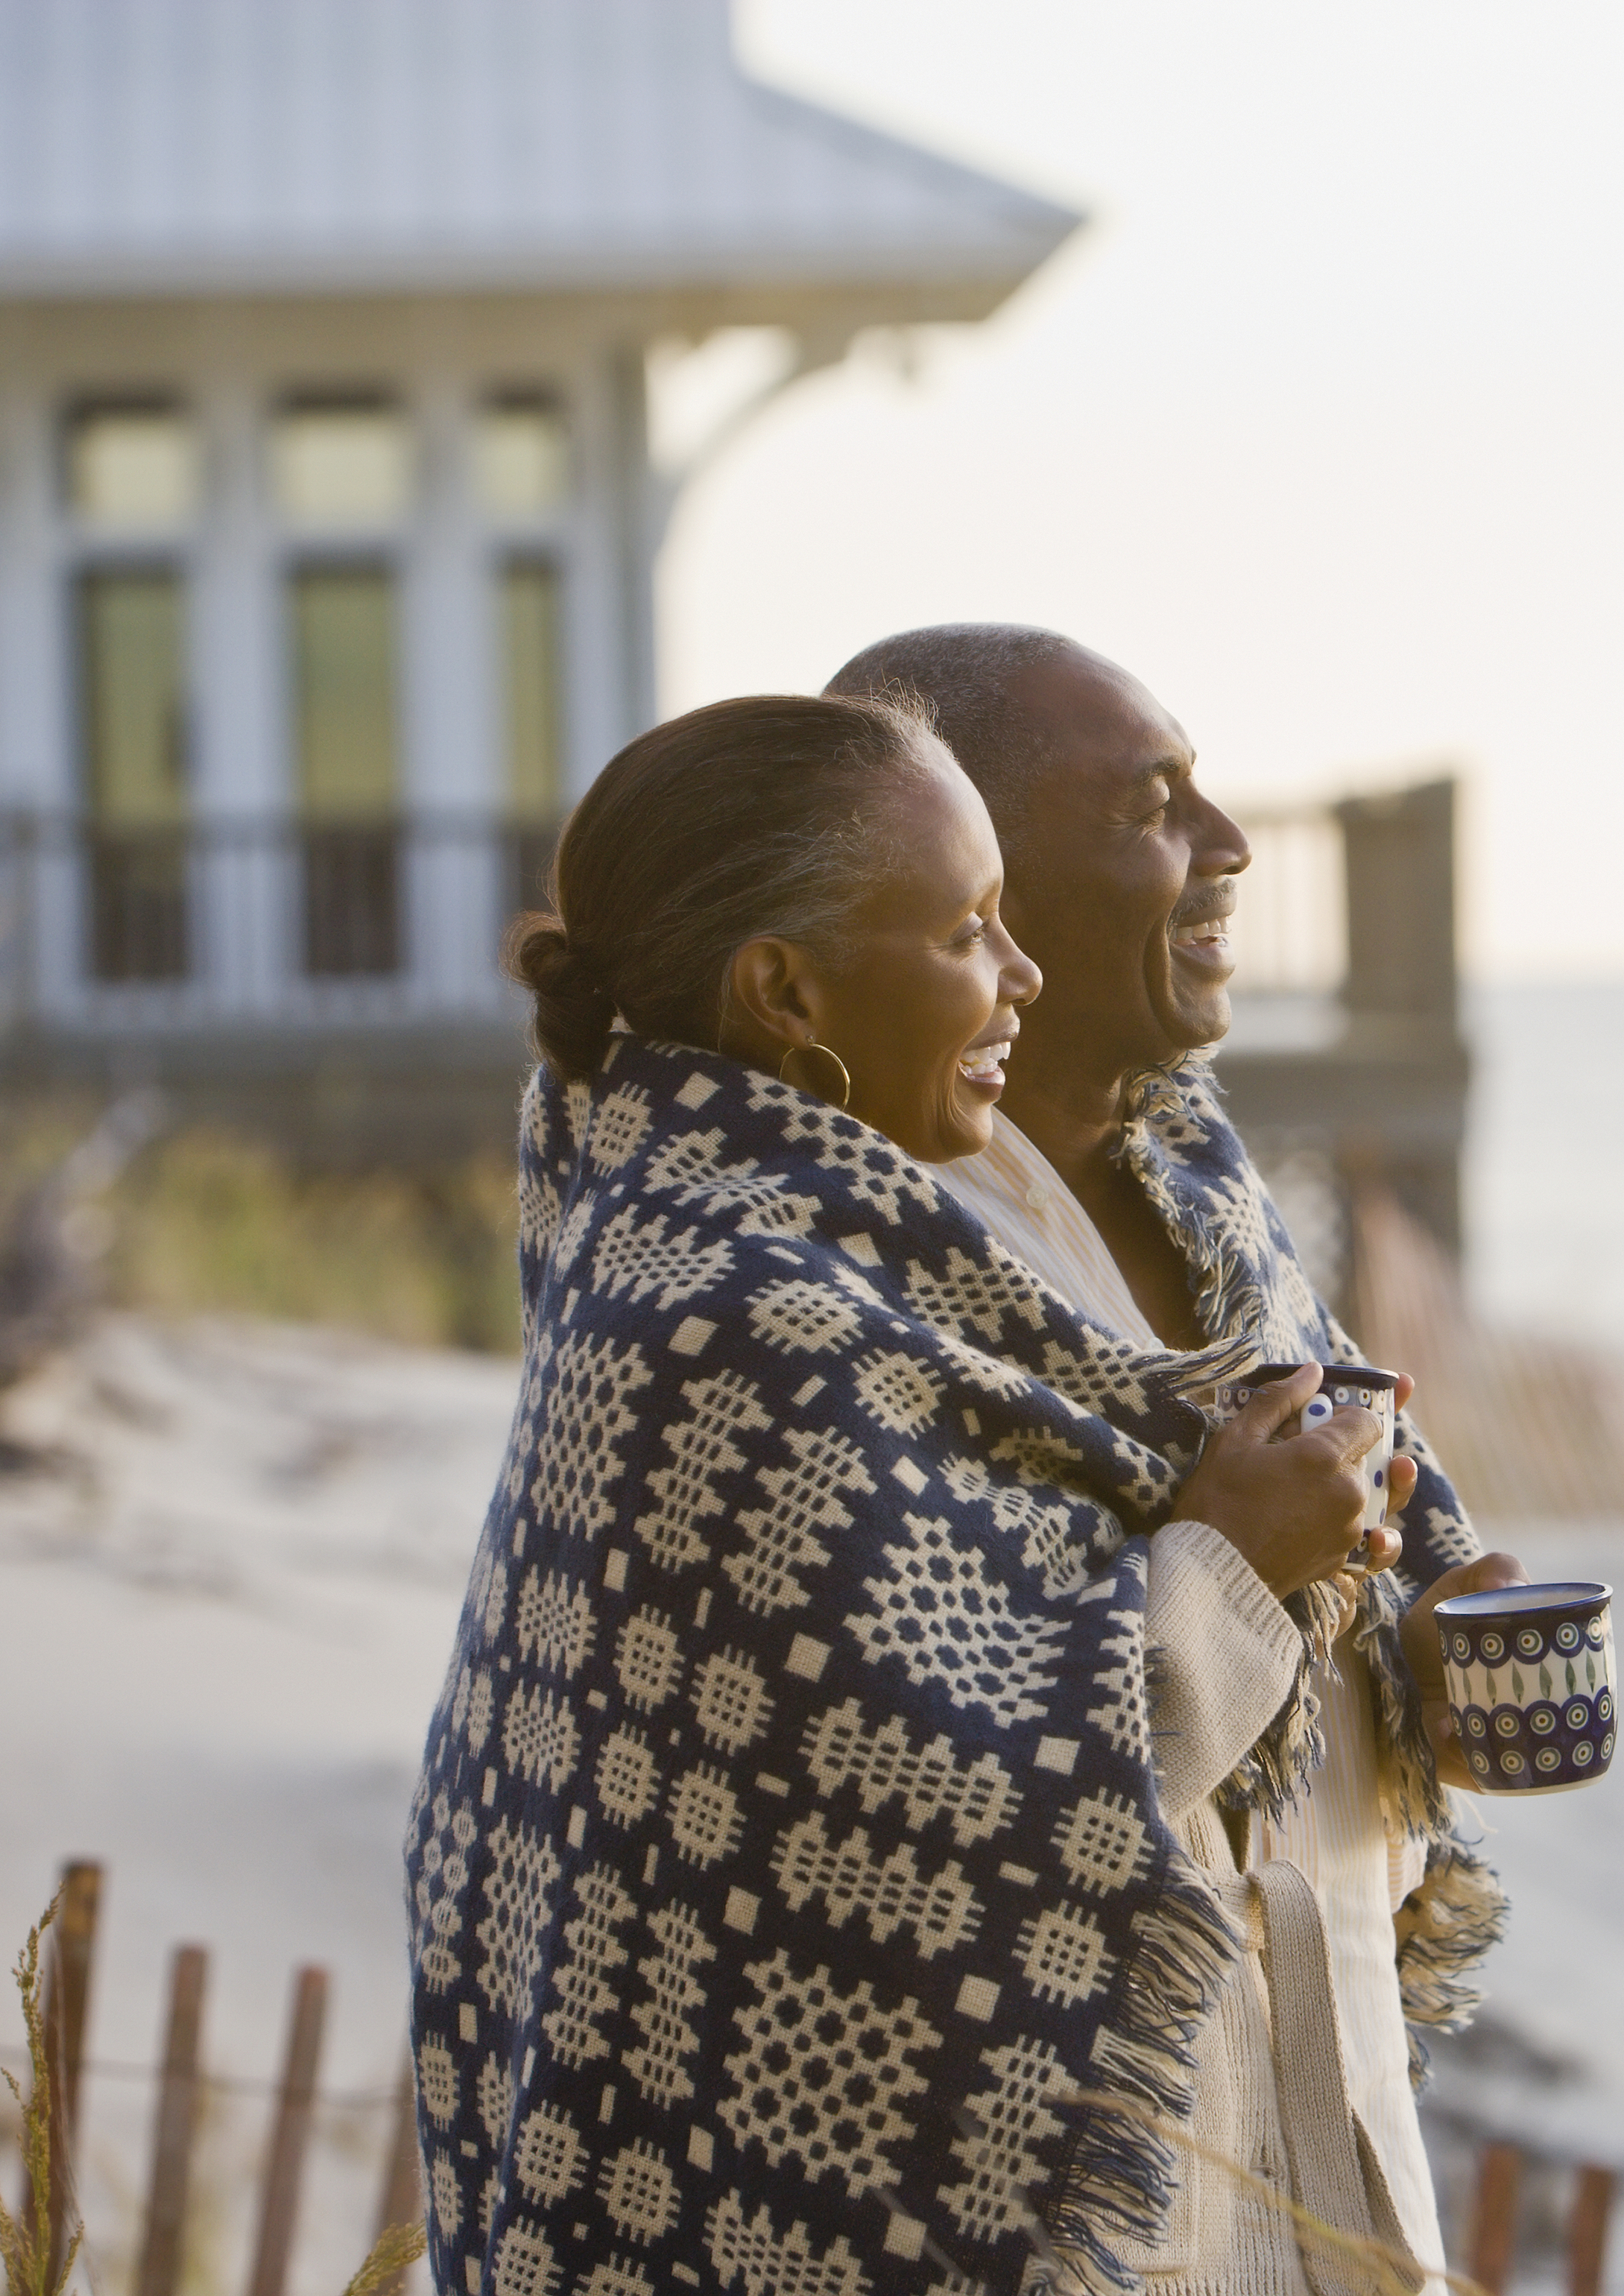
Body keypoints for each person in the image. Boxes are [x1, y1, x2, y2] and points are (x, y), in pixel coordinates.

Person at [404, 693, 1437, 2296]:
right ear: (784, 987)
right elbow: (942, 1806)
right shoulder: (721, 1313)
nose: (1014, 971)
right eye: (968, 929)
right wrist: (1226, 1559)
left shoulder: (871, 1250)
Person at [826, 629, 1526, 2296]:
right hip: (1063, 2187)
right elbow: (915, 1784)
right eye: (1152, 805)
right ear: (965, 863)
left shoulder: (1205, 1176)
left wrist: (1414, 1648)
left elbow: (1334, 1531)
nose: (1226, 847)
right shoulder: (846, 1264)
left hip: (1317, 2114)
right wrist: (1229, 1561)